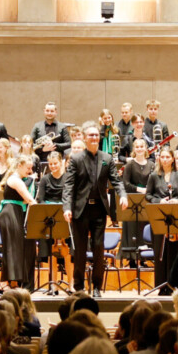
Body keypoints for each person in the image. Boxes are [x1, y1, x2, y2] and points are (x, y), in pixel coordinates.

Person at [62, 121, 129, 295]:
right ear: (85, 138)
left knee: (98, 248)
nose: (94, 137)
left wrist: (122, 195)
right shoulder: (76, 159)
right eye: (91, 135)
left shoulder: (107, 158)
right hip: (80, 210)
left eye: (96, 135)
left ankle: (97, 286)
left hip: (99, 209)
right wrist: (67, 207)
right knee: (80, 250)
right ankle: (79, 287)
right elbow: (68, 186)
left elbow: (116, 181)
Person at [145, 146, 178, 287]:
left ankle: (173, 284)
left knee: (174, 250)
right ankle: (161, 285)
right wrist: (159, 201)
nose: (165, 160)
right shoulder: (154, 175)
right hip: (159, 215)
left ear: (172, 159)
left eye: (167, 157)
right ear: (159, 159)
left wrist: (177, 200)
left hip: (175, 216)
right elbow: (148, 195)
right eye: (162, 157)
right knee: (160, 251)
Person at [0, 149, 38, 289]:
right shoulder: (15, 180)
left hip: (16, 212)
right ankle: (4, 283)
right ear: (19, 166)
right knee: (10, 248)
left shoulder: (18, 179)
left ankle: (13, 282)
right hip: (10, 214)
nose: (30, 171)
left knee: (16, 248)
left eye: (31, 168)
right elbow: (30, 200)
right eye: (28, 168)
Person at [121, 139, 153, 260]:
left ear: (145, 148)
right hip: (133, 200)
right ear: (134, 149)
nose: (139, 149)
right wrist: (140, 189)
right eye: (137, 147)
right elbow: (125, 183)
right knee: (132, 229)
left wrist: (148, 190)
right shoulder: (129, 164)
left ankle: (144, 258)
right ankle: (132, 258)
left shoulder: (152, 164)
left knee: (144, 228)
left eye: (141, 146)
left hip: (146, 200)